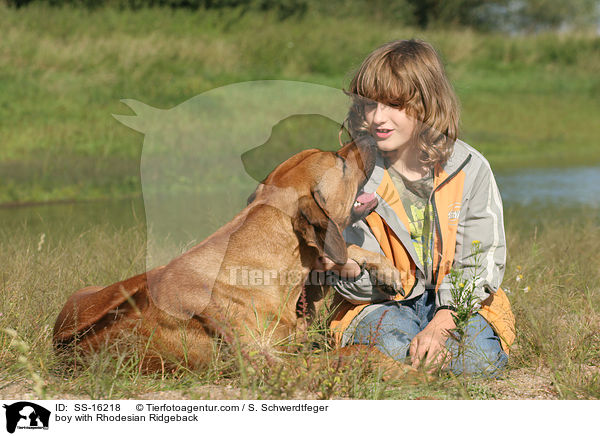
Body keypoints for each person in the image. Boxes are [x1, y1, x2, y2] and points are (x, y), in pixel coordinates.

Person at [314, 39, 515, 377]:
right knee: (397, 351)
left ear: (427, 104)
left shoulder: (471, 167)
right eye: (369, 104)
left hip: (459, 304)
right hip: (378, 305)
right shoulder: (351, 176)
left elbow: (481, 261)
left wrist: (443, 320)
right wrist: (345, 268)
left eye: (394, 104)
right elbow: (358, 282)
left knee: (476, 361)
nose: (378, 117)